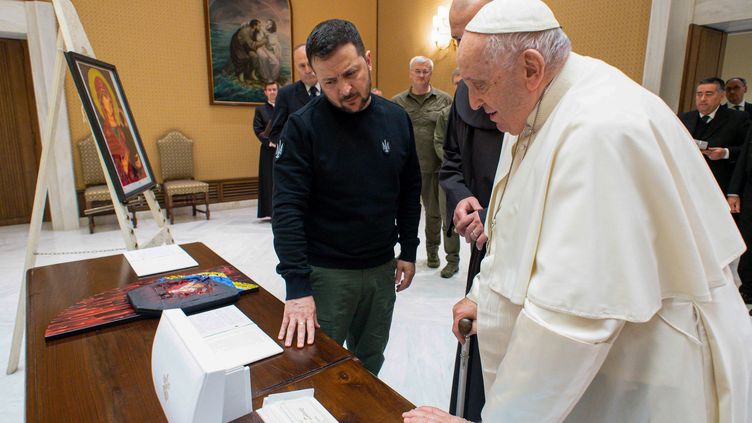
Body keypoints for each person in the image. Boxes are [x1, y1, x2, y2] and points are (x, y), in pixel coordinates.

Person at [404, 1, 752, 422]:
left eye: (480, 84)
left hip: (645, 377)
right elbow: (513, 223)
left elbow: (572, 323)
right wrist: (484, 298)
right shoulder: (539, 104)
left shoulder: (598, 131)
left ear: (530, 68)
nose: (474, 102)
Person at [272, 19, 421, 376]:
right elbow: (287, 209)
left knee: (370, 362)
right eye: (329, 82)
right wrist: (297, 287)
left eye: (351, 73)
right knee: (316, 366)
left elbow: (410, 188)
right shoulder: (303, 127)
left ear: (367, 59)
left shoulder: (397, 119)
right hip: (326, 273)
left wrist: (410, 250)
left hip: (382, 269)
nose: (344, 89)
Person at [392, 57, 454, 274]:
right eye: (417, 71)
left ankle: (433, 251)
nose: (421, 75)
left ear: (431, 73)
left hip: (434, 167)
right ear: (410, 73)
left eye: (425, 71)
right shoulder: (397, 102)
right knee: (400, 212)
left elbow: (452, 134)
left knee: (434, 214)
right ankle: (401, 252)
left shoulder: (445, 100)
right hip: (404, 170)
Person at [679, 77, 749, 194]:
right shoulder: (683, 118)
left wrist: (725, 153)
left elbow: (746, 150)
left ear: (721, 96)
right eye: (699, 94)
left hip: (718, 183)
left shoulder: (738, 119)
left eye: (709, 94)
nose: (703, 99)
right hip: (686, 181)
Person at [267, 43, 319, 146]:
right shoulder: (286, 94)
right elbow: (275, 133)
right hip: (300, 158)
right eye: (302, 66)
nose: (307, 70)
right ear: (296, 67)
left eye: (310, 64)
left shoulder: (332, 89)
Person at [253, 81, 278, 219]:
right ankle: (271, 212)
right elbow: (257, 129)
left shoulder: (283, 107)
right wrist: (269, 143)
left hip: (283, 148)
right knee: (269, 180)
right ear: (265, 92)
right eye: (269, 90)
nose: (272, 92)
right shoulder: (260, 110)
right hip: (268, 151)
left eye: (274, 89)